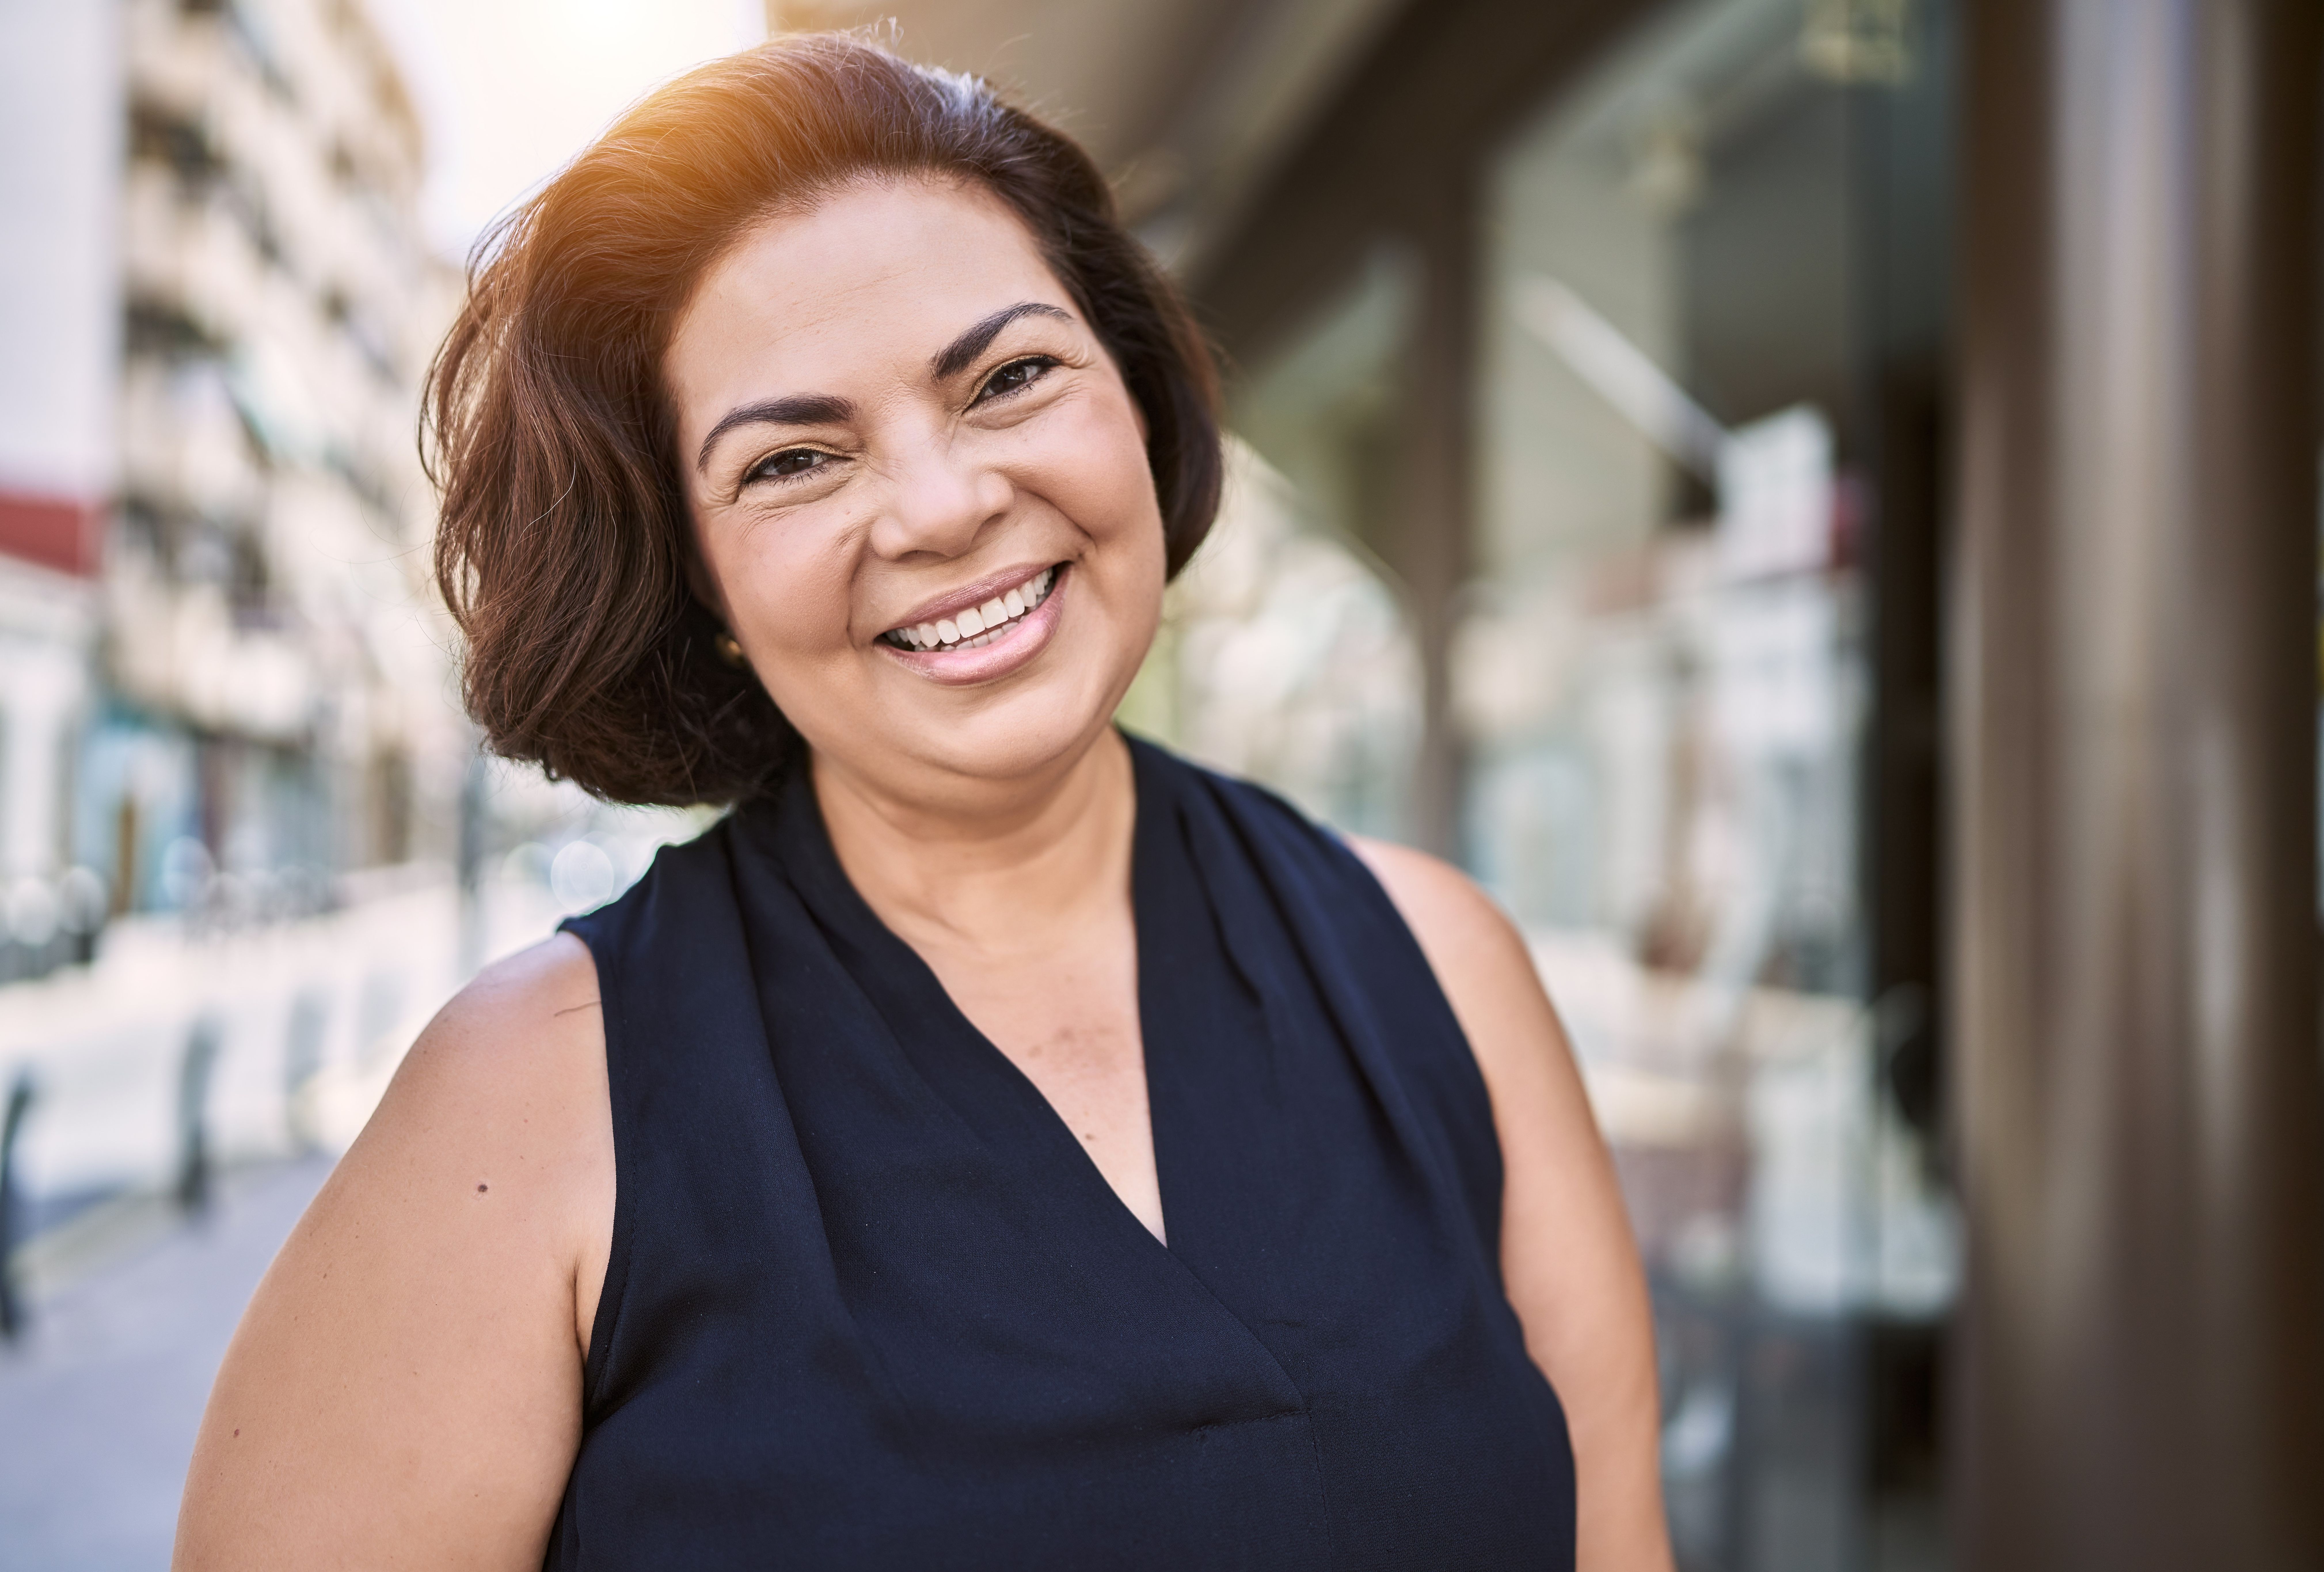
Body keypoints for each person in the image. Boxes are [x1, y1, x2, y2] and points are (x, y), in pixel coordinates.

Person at [175, 34, 1670, 1571]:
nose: (945, 505)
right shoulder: (533, 1094)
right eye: (795, 461)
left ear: (1135, 400)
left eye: (1012, 376)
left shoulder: (1438, 968)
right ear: (700, 584)